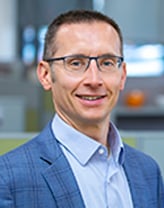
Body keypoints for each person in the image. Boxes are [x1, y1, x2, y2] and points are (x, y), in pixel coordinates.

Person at [0, 10, 163, 208]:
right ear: (45, 75)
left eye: (107, 63)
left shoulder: (148, 172)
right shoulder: (8, 178)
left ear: (122, 75)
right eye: (76, 63)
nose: (94, 80)